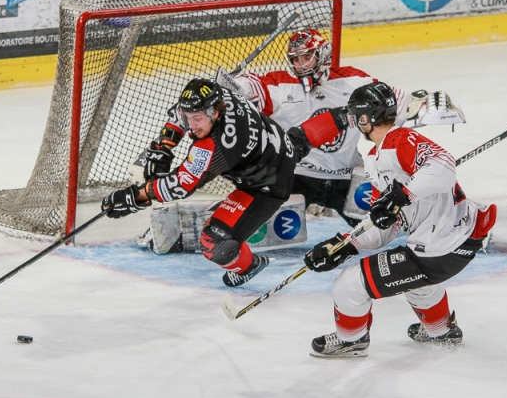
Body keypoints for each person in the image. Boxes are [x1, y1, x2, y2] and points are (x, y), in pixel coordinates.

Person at [302, 82, 496, 358]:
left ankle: (351, 340)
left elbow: (444, 166)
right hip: (454, 245)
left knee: (350, 284)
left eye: (356, 117)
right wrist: (345, 245)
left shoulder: (400, 139)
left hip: (439, 248)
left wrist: (403, 194)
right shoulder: (375, 159)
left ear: (365, 119)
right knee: (419, 285)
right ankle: (440, 330)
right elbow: (387, 223)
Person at [102, 78, 348, 287]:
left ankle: (248, 267)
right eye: (189, 118)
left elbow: (180, 185)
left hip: (266, 186)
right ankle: (347, 115)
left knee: (213, 243)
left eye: (197, 119)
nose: (191, 125)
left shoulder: (216, 147)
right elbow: (180, 111)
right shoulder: (222, 93)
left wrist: (134, 197)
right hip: (279, 143)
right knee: (297, 143)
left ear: (215, 113)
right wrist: (165, 145)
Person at [230, 29, 465, 226]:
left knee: (384, 225)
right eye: (295, 59)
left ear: (322, 55)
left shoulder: (352, 81)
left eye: (306, 57)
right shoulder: (280, 85)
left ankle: (459, 221)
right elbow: (253, 85)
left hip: (345, 177)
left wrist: (428, 106)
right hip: (296, 177)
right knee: (265, 231)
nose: (300, 65)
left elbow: (396, 102)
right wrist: (235, 87)